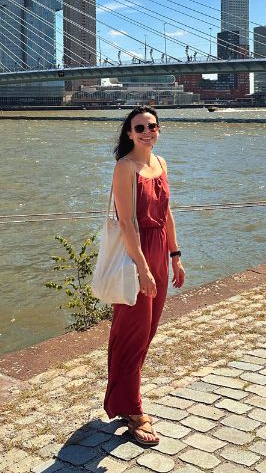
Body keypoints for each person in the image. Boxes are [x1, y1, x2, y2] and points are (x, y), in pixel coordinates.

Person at [104, 106, 186, 446]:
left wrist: (176, 257)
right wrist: (143, 267)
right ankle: (132, 409)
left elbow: (166, 213)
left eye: (152, 126)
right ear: (129, 133)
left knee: (148, 331)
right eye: (140, 127)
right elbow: (126, 223)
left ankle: (124, 398)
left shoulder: (161, 163)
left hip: (160, 249)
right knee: (132, 332)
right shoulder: (125, 168)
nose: (147, 131)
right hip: (136, 253)